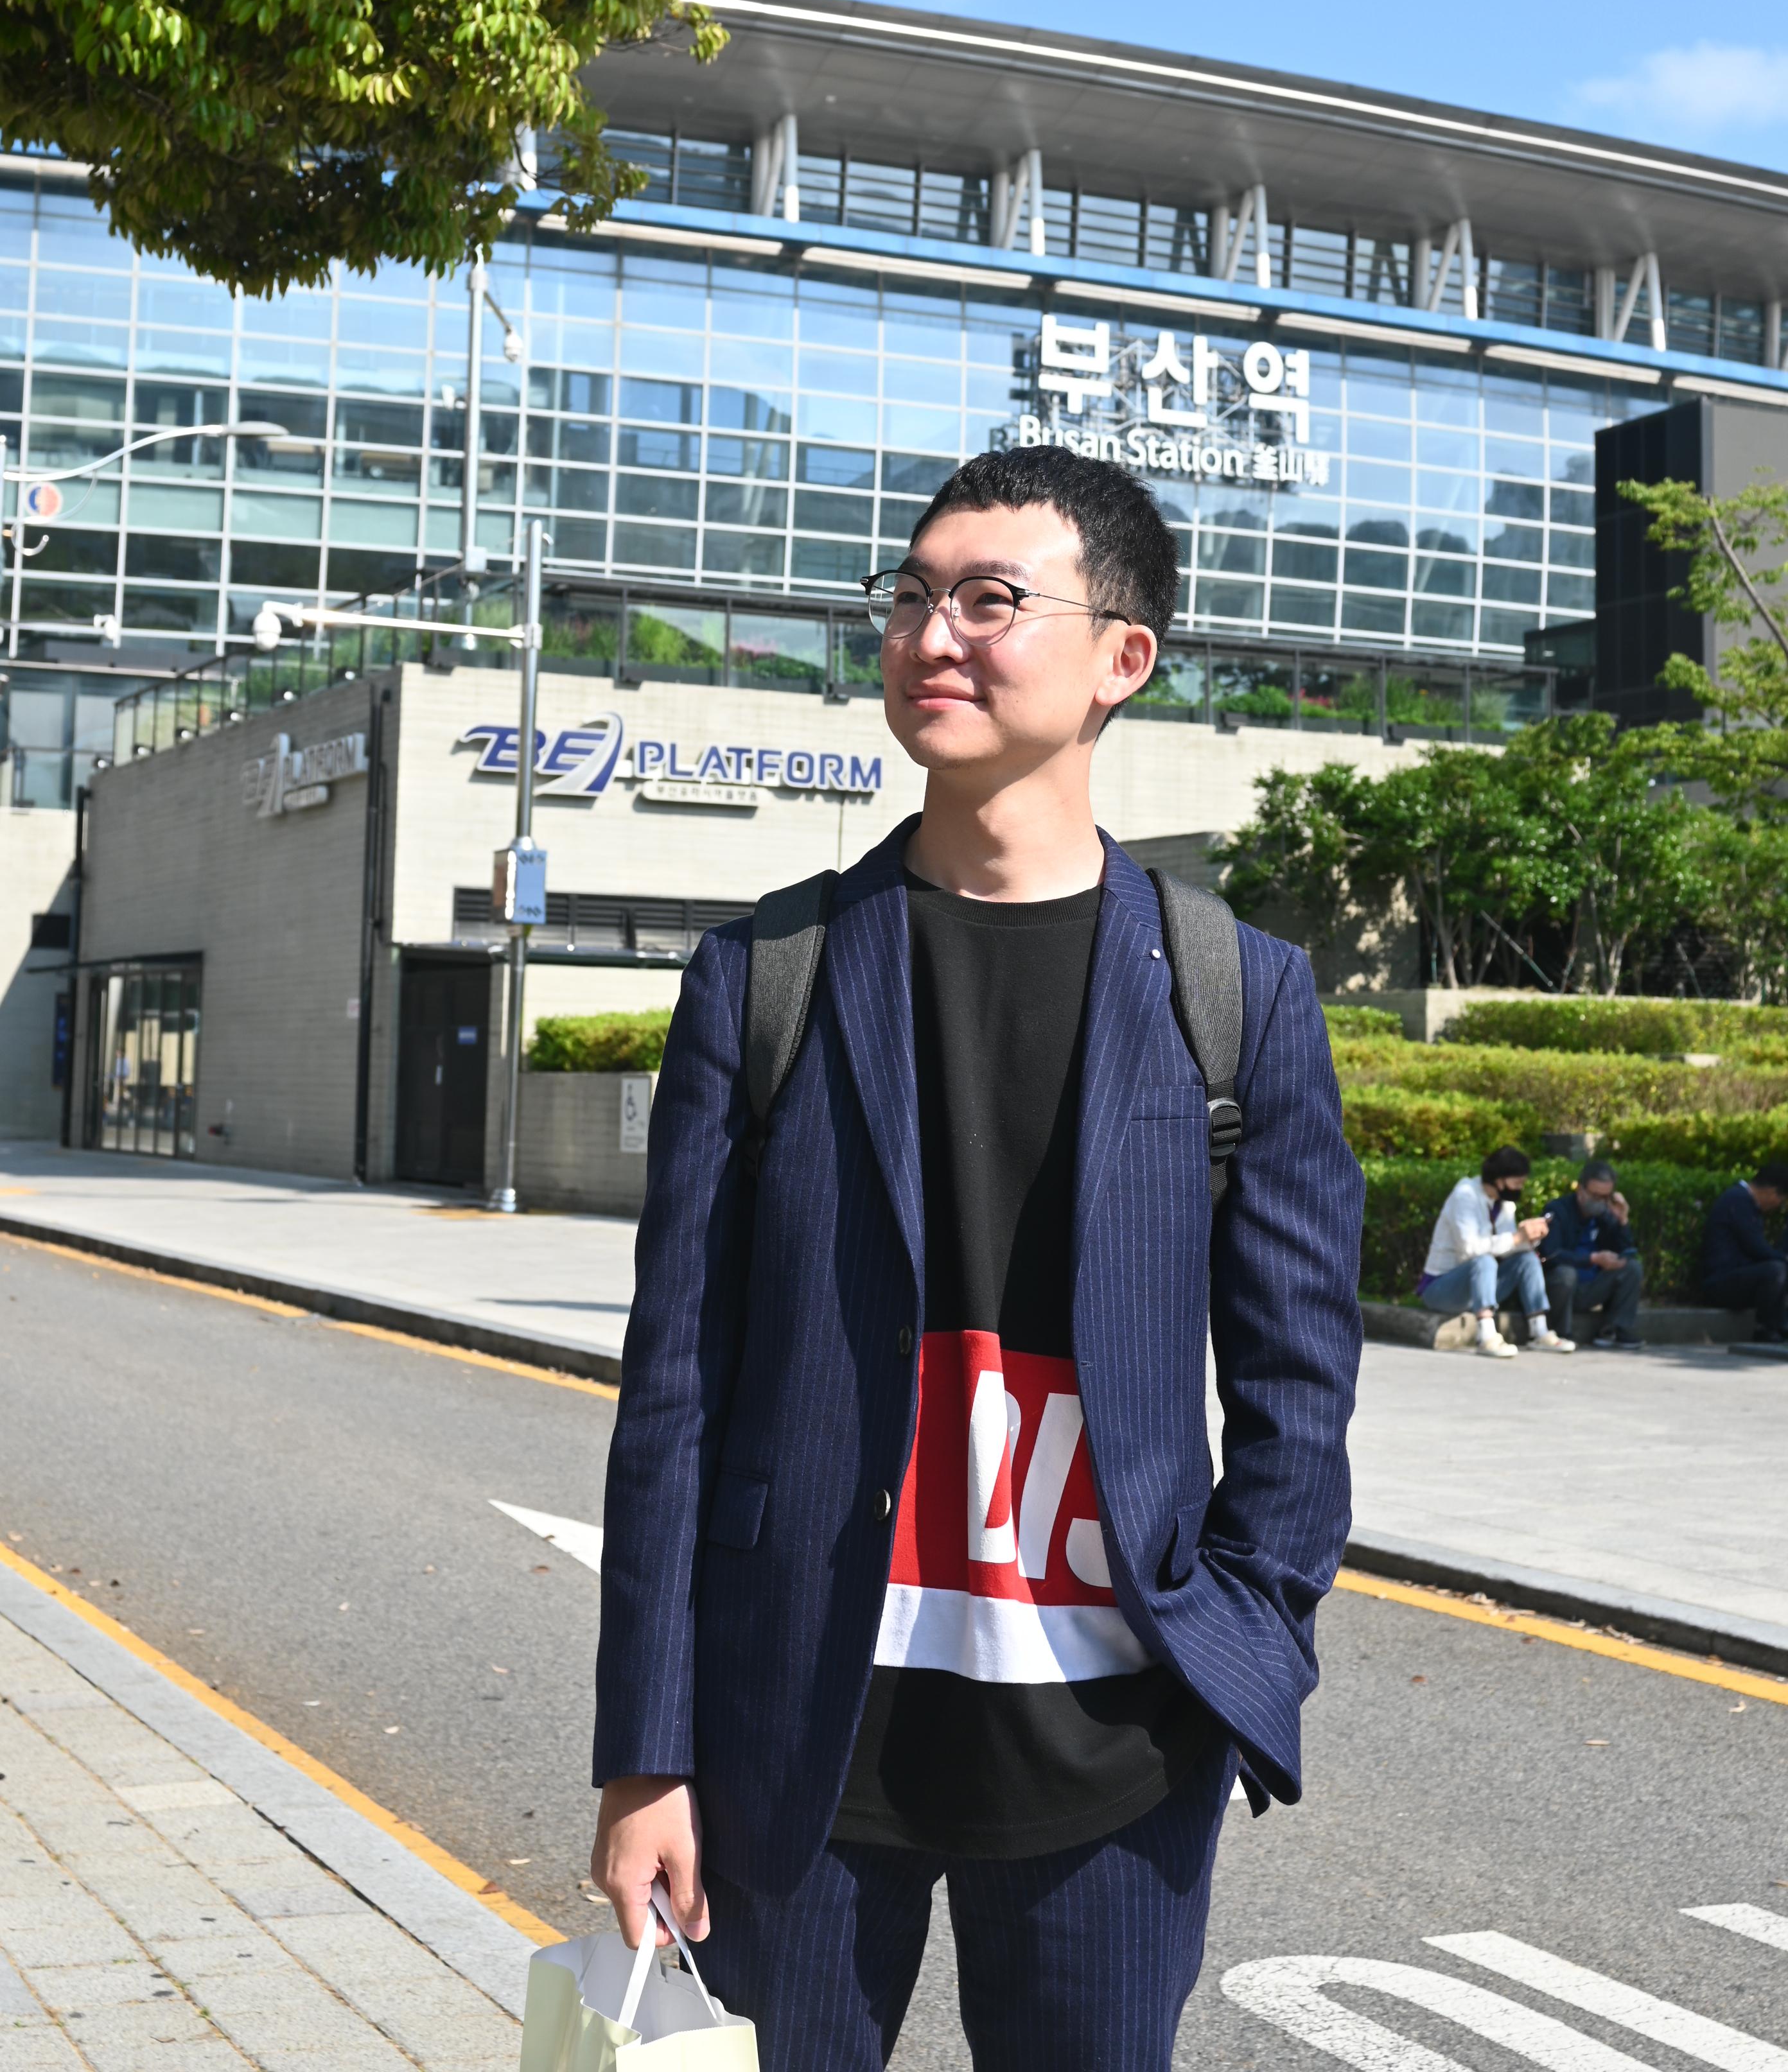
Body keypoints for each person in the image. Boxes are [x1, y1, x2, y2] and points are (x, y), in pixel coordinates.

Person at [590, 446, 1365, 2072]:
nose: (931, 633)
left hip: (1118, 1739)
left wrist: (1245, 1642)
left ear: (1121, 657)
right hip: (794, 1728)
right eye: (911, 596)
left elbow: (1298, 1382)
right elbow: (673, 1393)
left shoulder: (1235, 992)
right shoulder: (767, 974)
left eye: (990, 599)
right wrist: (645, 1755)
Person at [1416, 1145, 1573, 1356]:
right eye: (1517, 1183)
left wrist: (1530, 1239)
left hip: (1481, 1285)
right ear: (1499, 1180)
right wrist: (1516, 1238)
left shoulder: (1505, 1204)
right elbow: (1469, 1249)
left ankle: (1539, 1331)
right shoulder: (1465, 1195)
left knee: (1527, 1259)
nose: (1520, 1188)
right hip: (1441, 1289)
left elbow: (1507, 1247)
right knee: (1484, 1260)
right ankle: (1486, 1336)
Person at [1540, 1159, 1644, 1350]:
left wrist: (1622, 1220)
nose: (1600, 1202)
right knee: (1566, 1274)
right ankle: (1561, 1333)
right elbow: (1550, 1254)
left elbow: (1625, 1250)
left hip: (1594, 1287)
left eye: (1606, 1197)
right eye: (1595, 1196)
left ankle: (1614, 1329)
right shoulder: (1558, 1210)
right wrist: (1592, 1259)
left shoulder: (1606, 1214)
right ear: (1580, 1190)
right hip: (1563, 1289)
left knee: (1632, 1268)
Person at [1699, 1162, 1788, 1345]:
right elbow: (1757, 1248)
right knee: (1776, 1271)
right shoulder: (1738, 1200)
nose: (1779, 1206)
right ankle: (1765, 1329)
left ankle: (1780, 1326)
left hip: (1735, 1277)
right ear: (1772, 1192)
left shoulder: (1743, 1201)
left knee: (1778, 1267)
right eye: (1782, 1200)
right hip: (1719, 1283)